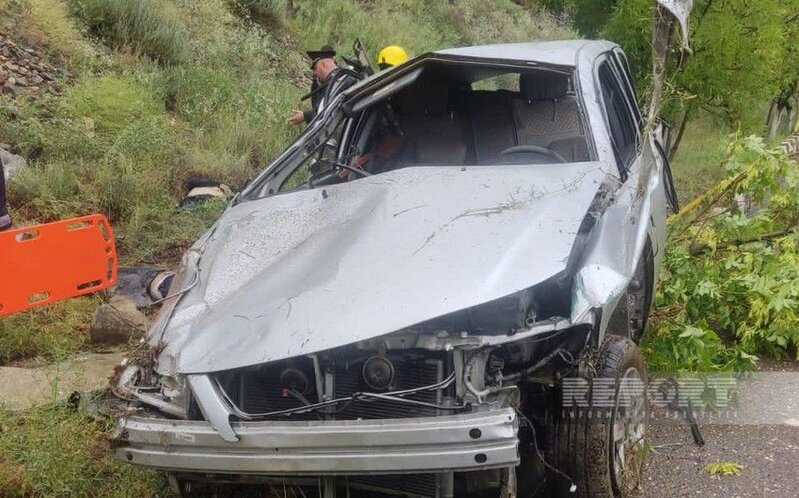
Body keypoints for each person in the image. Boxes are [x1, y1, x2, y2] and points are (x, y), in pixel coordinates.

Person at [288, 45, 359, 126]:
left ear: (324, 65)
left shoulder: (340, 82)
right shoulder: (339, 79)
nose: (314, 73)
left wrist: (305, 116)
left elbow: (326, 114)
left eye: (315, 68)